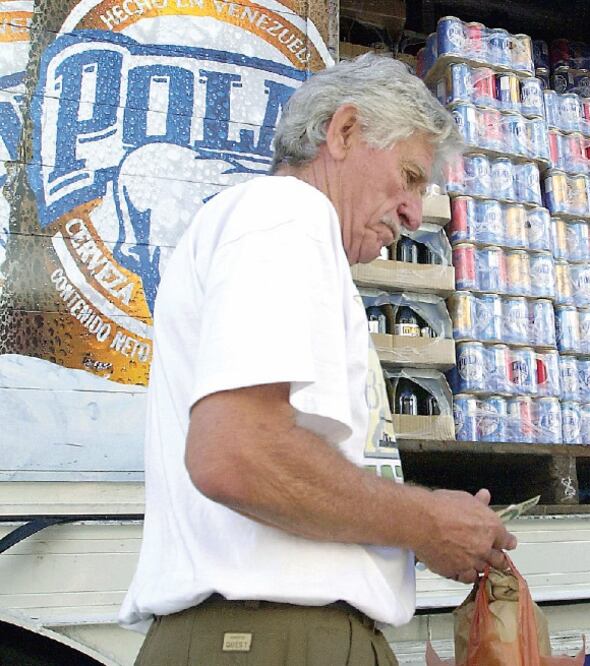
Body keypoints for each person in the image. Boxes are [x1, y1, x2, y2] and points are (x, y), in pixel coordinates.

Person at [119, 54, 516, 665]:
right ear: (344, 131)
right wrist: (427, 522)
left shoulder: (284, 233)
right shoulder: (287, 212)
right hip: (276, 638)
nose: (414, 214)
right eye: (410, 175)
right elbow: (237, 454)